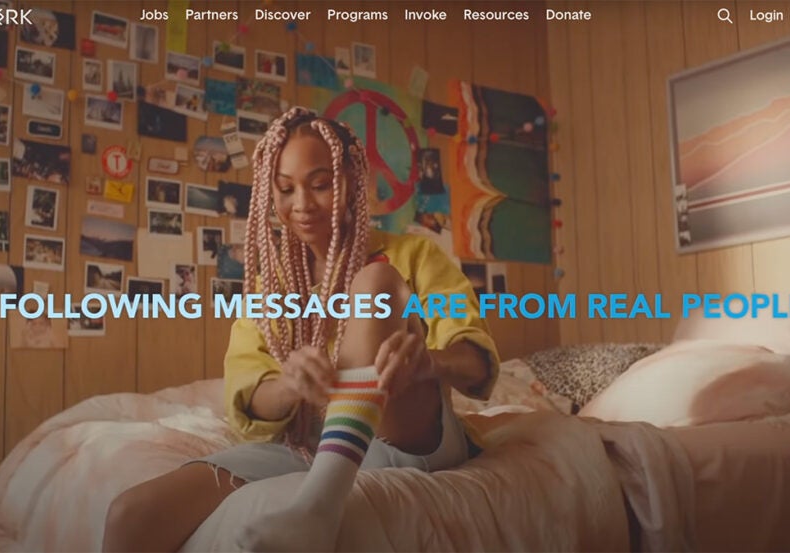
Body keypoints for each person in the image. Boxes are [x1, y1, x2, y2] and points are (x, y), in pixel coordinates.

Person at [102, 107, 500, 552]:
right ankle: (325, 478)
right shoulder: (270, 284)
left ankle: (319, 505)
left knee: (375, 281)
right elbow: (250, 395)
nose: (302, 205)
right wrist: (291, 385)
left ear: (351, 180)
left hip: (405, 434)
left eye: (320, 184)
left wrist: (427, 362)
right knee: (132, 516)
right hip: (308, 444)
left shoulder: (415, 255)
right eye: (286, 189)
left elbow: (473, 357)